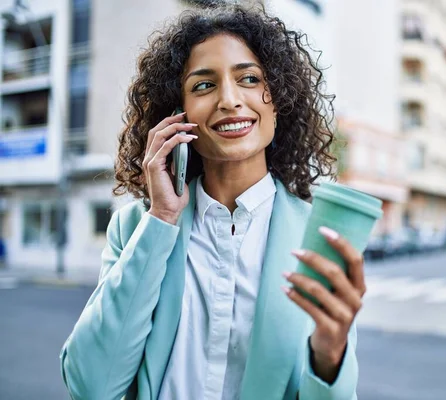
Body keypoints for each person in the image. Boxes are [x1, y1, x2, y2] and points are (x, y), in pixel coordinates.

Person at [60, 3, 364, 400]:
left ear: (279, 99)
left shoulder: (318, 237)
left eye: (250, 79)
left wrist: (329, 358)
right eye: (204, 85)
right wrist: (162, 218)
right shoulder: (137, 226)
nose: (230, 99)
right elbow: (90, 387)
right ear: (176, 114)